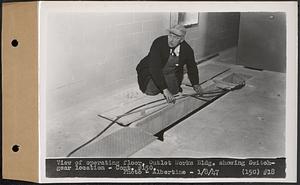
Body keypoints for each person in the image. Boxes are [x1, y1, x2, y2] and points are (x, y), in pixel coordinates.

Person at [136, 24, 203, 103]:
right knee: (150, 91)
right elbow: (154, 68)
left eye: (176, 38)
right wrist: (165, 90)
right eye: (170, 36)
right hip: (151, 70)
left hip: (170, 73)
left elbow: (192, 67)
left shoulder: (187, 50)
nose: (171, 40)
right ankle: (161, 85)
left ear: (181, 40)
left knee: (174, 92)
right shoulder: (159, 43)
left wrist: (195, 83)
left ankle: (165, 84)